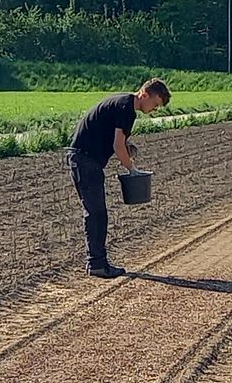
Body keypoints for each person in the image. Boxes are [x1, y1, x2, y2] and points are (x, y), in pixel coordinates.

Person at [69, 77, 169, 278]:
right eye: (155, 104)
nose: (154, 109)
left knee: (97, 214)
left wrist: (127, 147)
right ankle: (96, 264)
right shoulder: (126, 109)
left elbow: (116, 139)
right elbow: (117, 146)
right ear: (144, 94)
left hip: (85, 159)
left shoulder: (123, 104)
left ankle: (97, 262)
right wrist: (132, 169)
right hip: (84, 160)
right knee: (96, 214)